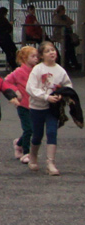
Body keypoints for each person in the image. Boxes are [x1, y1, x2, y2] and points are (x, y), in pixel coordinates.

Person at [25, 41, 72, 175]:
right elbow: (30, 88)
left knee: (52, 132)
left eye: (53, 50)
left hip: (53, 108)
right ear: (41, 55)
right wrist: (45, 97)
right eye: (47, 51)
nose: (52, 52)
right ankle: (33, 156)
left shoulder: (60, 70)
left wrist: (62, 96)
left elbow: (68, 86)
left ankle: (50, 162)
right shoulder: (37, 69)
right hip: (37, 107)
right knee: (37, 134)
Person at [3, 44, 39, 163]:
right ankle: (26, 153)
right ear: (24, 58)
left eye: (36, 56)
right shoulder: (19, 71)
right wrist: (15, 91)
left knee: (33, 129)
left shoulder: (37, 70)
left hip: (35, 104)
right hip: (23, 104)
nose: (36, 58)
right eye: (33, 56)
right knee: (29, 129)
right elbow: (6, 82)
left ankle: (18, 143)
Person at [52, 5, 78, 70]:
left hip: (66, 35)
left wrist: (66, 21)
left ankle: (70, 62)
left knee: (69, 47)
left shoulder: (64, 17)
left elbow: (71, 22)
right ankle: (70, 62)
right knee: (69, 46)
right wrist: (66, 23)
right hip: (60, 35)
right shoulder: (56, 17)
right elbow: (61, 23)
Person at [0, 6, 18, 71]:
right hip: (5, 38)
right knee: (13, 50)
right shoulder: (3, 19)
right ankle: (14, 65)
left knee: (8, 52)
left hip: (0, 39)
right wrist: (10, 24)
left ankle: (13, 65)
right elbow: (9, 28)